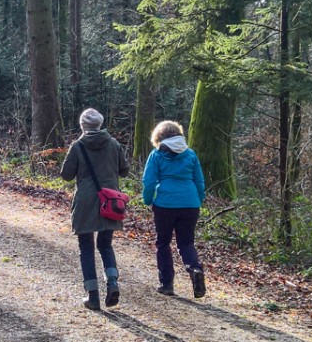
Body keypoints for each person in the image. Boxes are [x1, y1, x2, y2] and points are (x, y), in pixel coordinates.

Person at [60, 108, 130, 310]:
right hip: (110, 200)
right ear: (100, 124)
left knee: (86, 249)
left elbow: (66, 175)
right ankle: (113, 282)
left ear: (83, 126)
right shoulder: (114, 144)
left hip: (86, 201)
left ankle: (92, 296)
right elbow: (124, 171)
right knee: (106, 245)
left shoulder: (78, 146)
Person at [141, 119, 207, 299]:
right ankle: (195, 269)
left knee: (163, 243)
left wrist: (148, 200)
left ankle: (166, 283)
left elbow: (148, 182)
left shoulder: (156, 155)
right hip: (190, 203)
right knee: (186, 242)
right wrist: (198, 199)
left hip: (165, 204)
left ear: (158, 137)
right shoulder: (191, 154)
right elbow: (199, 181)